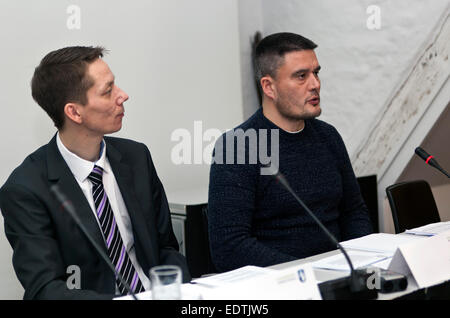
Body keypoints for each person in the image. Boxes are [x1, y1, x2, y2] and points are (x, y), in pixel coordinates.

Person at [0, 46, 190, 299]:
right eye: (108, 91)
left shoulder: (136, 158)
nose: (123, 96)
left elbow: (165, 247)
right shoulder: (26, 189)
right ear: (74, 112)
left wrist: (175, 291)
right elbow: (45, 289)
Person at [208, 32, 373, 272]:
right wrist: (308, 271)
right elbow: (229, 248)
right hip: (279, 284)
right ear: (269, 87)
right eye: (301, 76)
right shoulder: (237, 146)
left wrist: (359, 260)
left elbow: (354, 213)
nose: (315, 84)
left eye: (316, 73)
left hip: (342, 276)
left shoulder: (329, 136)